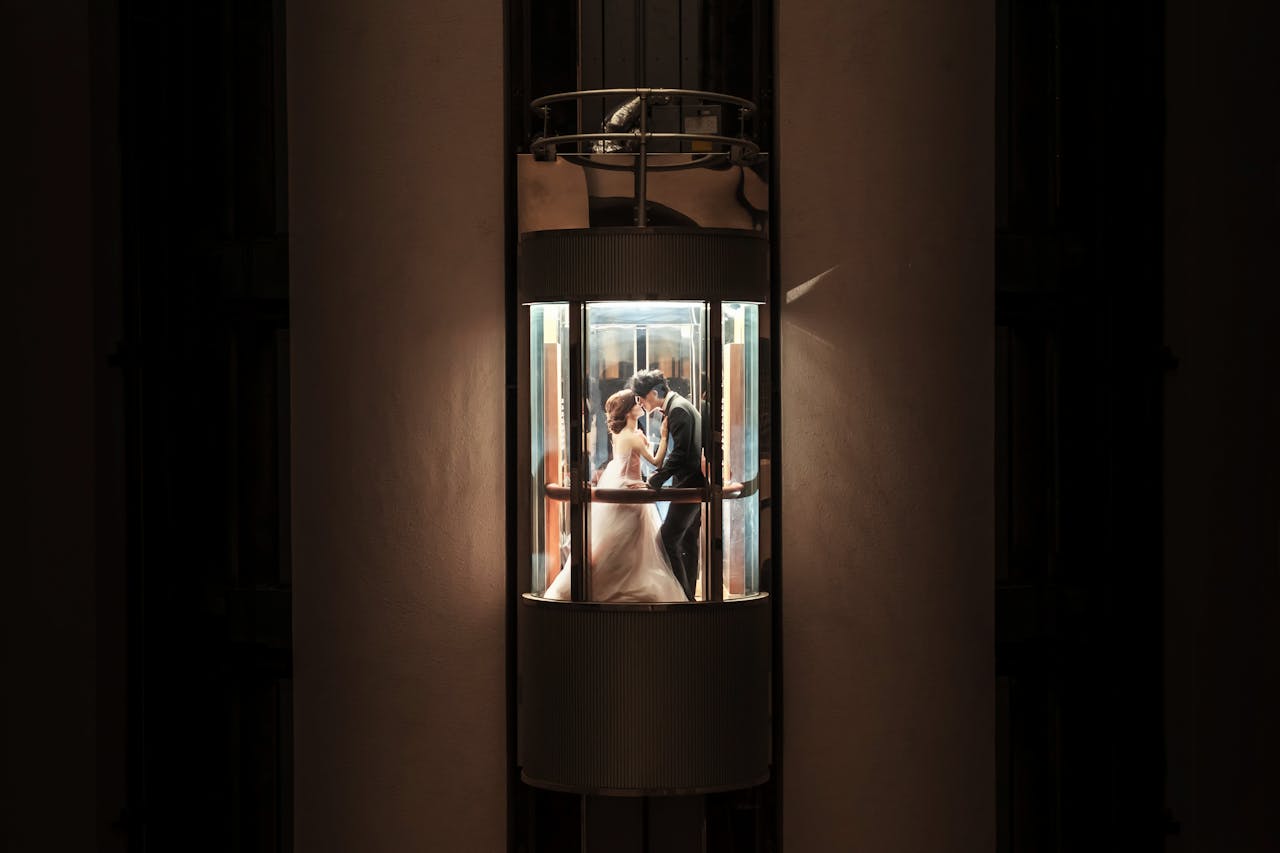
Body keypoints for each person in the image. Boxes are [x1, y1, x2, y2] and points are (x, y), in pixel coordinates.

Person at [544, 389, 687, 603]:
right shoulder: (632, 437)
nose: (641, 405)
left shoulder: (622, 434)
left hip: (620, 483)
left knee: (621, 541)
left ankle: (621, 579)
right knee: (631, 541)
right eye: (636, 403)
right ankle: (625, 582)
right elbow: (656, 462)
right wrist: (665, 435)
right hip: (630, 489)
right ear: (629, 411)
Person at [630, 368, 706, 601]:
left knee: (666, 539)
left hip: (688, 485)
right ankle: (689, 596)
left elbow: (681, 455)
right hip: (691, 484)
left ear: (653, 393)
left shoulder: (678, 410)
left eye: (641, 398)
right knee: (686, 541)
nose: (640, 403)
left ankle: (683, 598)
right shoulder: (679, 406)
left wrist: (655, 480)